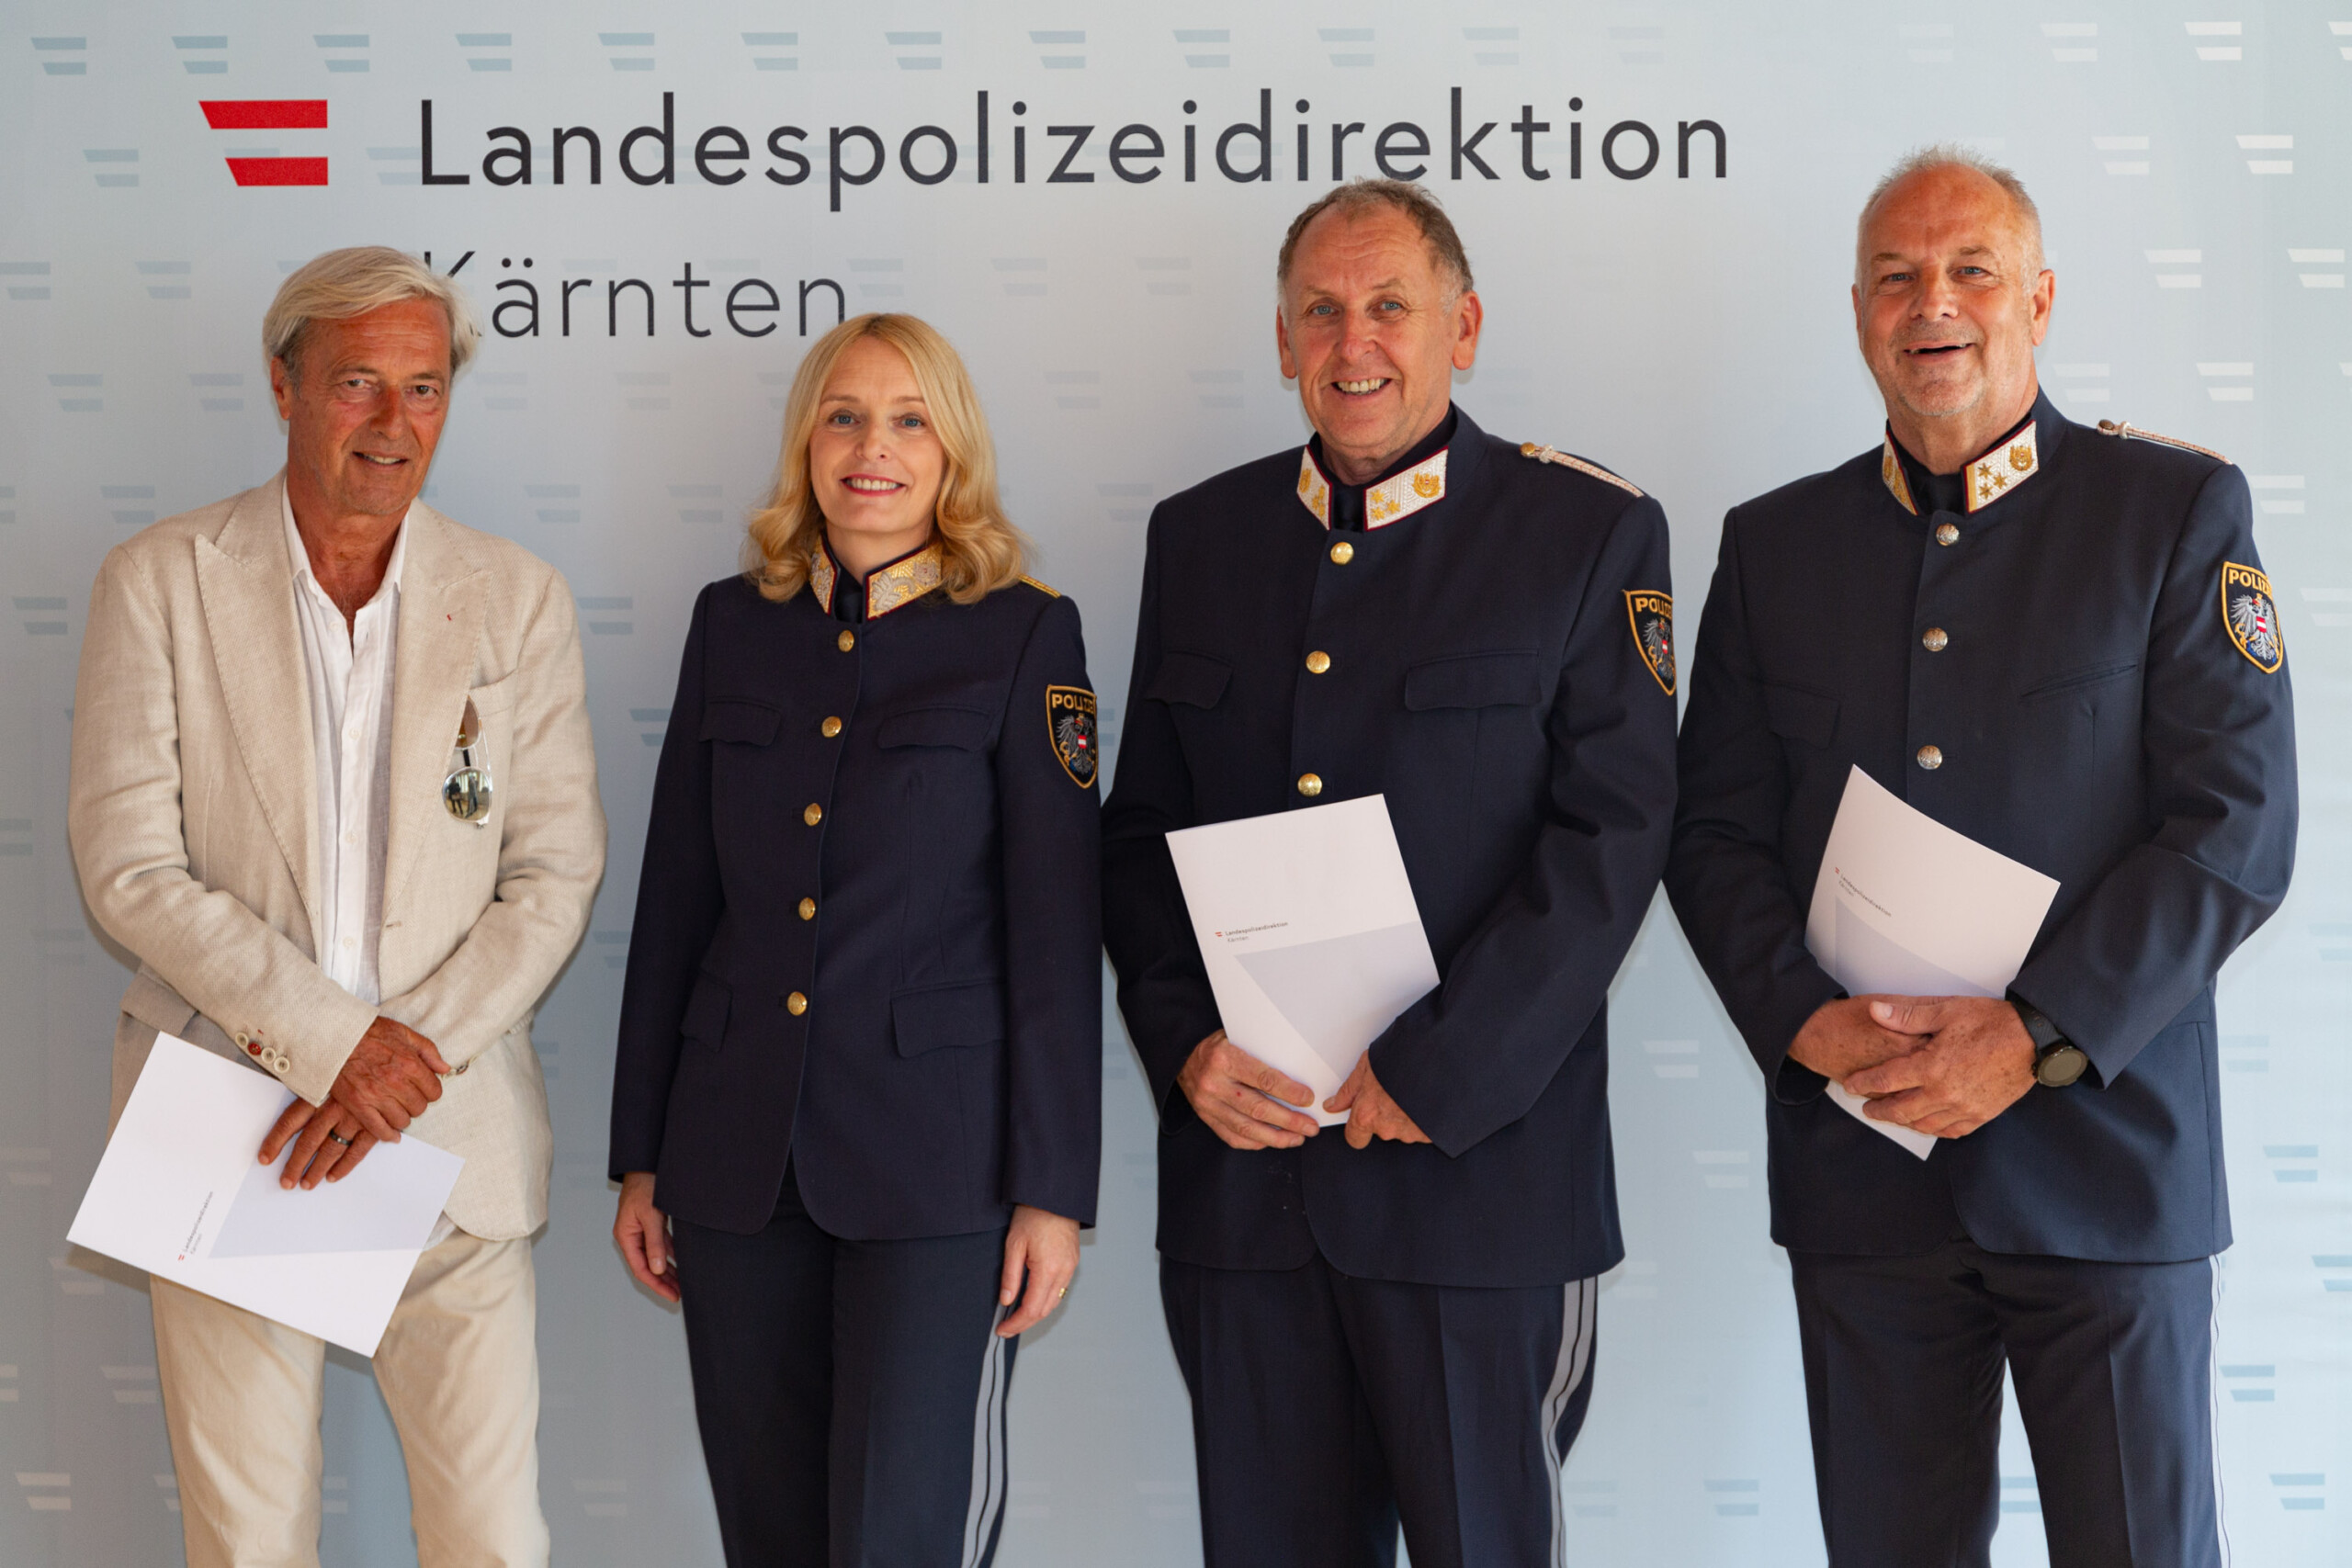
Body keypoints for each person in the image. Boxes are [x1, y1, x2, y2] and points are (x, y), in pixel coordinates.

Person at [1666, 146, 2297, 1567]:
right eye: (1896, 277)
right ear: (1858, 313)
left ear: (2041, 300)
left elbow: (2237, 826)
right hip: (1867, 1173)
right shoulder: (1774, 547)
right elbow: (1712, 831)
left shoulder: (2169, 513)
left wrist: (2036, 1036)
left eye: (1972, 271)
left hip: (2108, 1171)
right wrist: (1804, 1023)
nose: (1932, 303)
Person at [1100, 179, 1678, 1568]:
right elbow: (1140, 835)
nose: (1352, 342)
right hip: (1250, 1198)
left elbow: (1613, 838)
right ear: (1282, 341)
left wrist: (1443, 1071)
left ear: (1462, 328)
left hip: (1476, 1189)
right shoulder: (1201, 537)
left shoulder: (1584, 530)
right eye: (1320, 311)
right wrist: (1184, 1047)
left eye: (1389, 307)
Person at [67, 246, 607, 1568]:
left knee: (494, 1540)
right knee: (248, 1543)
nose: (393, 422)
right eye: (358, 382)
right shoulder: (161, 578)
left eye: (424, 389)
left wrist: (396, 1064)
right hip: (233, 1126)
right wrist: (331, 1048)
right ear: (285, 385)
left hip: (451, 1133)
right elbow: (129, 865)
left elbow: (554, 873)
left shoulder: (518, 597)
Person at [608, 312, 1102, 1568]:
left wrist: (1053, 1190)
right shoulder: (732, 623)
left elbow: (1055, 931)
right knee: (768, 1536)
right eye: (844, 417)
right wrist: (643, 1158)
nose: (872, 447)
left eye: (907, 420)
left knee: (898, 1536)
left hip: (937, 1172)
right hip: (735, 1160)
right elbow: (677, 901)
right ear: (806, 445)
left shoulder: (1025, 633)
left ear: (952, 451)